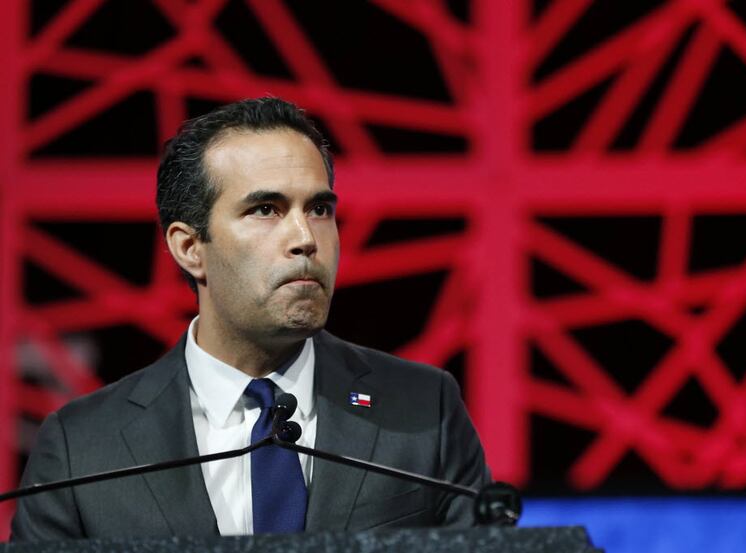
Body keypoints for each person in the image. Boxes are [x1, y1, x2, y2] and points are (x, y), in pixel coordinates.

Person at [11, 97, 490, 540]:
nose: (305, 237)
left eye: (319, 209)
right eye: (266, 209)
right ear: (189, 247)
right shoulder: (84, 448)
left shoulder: (425, 410)